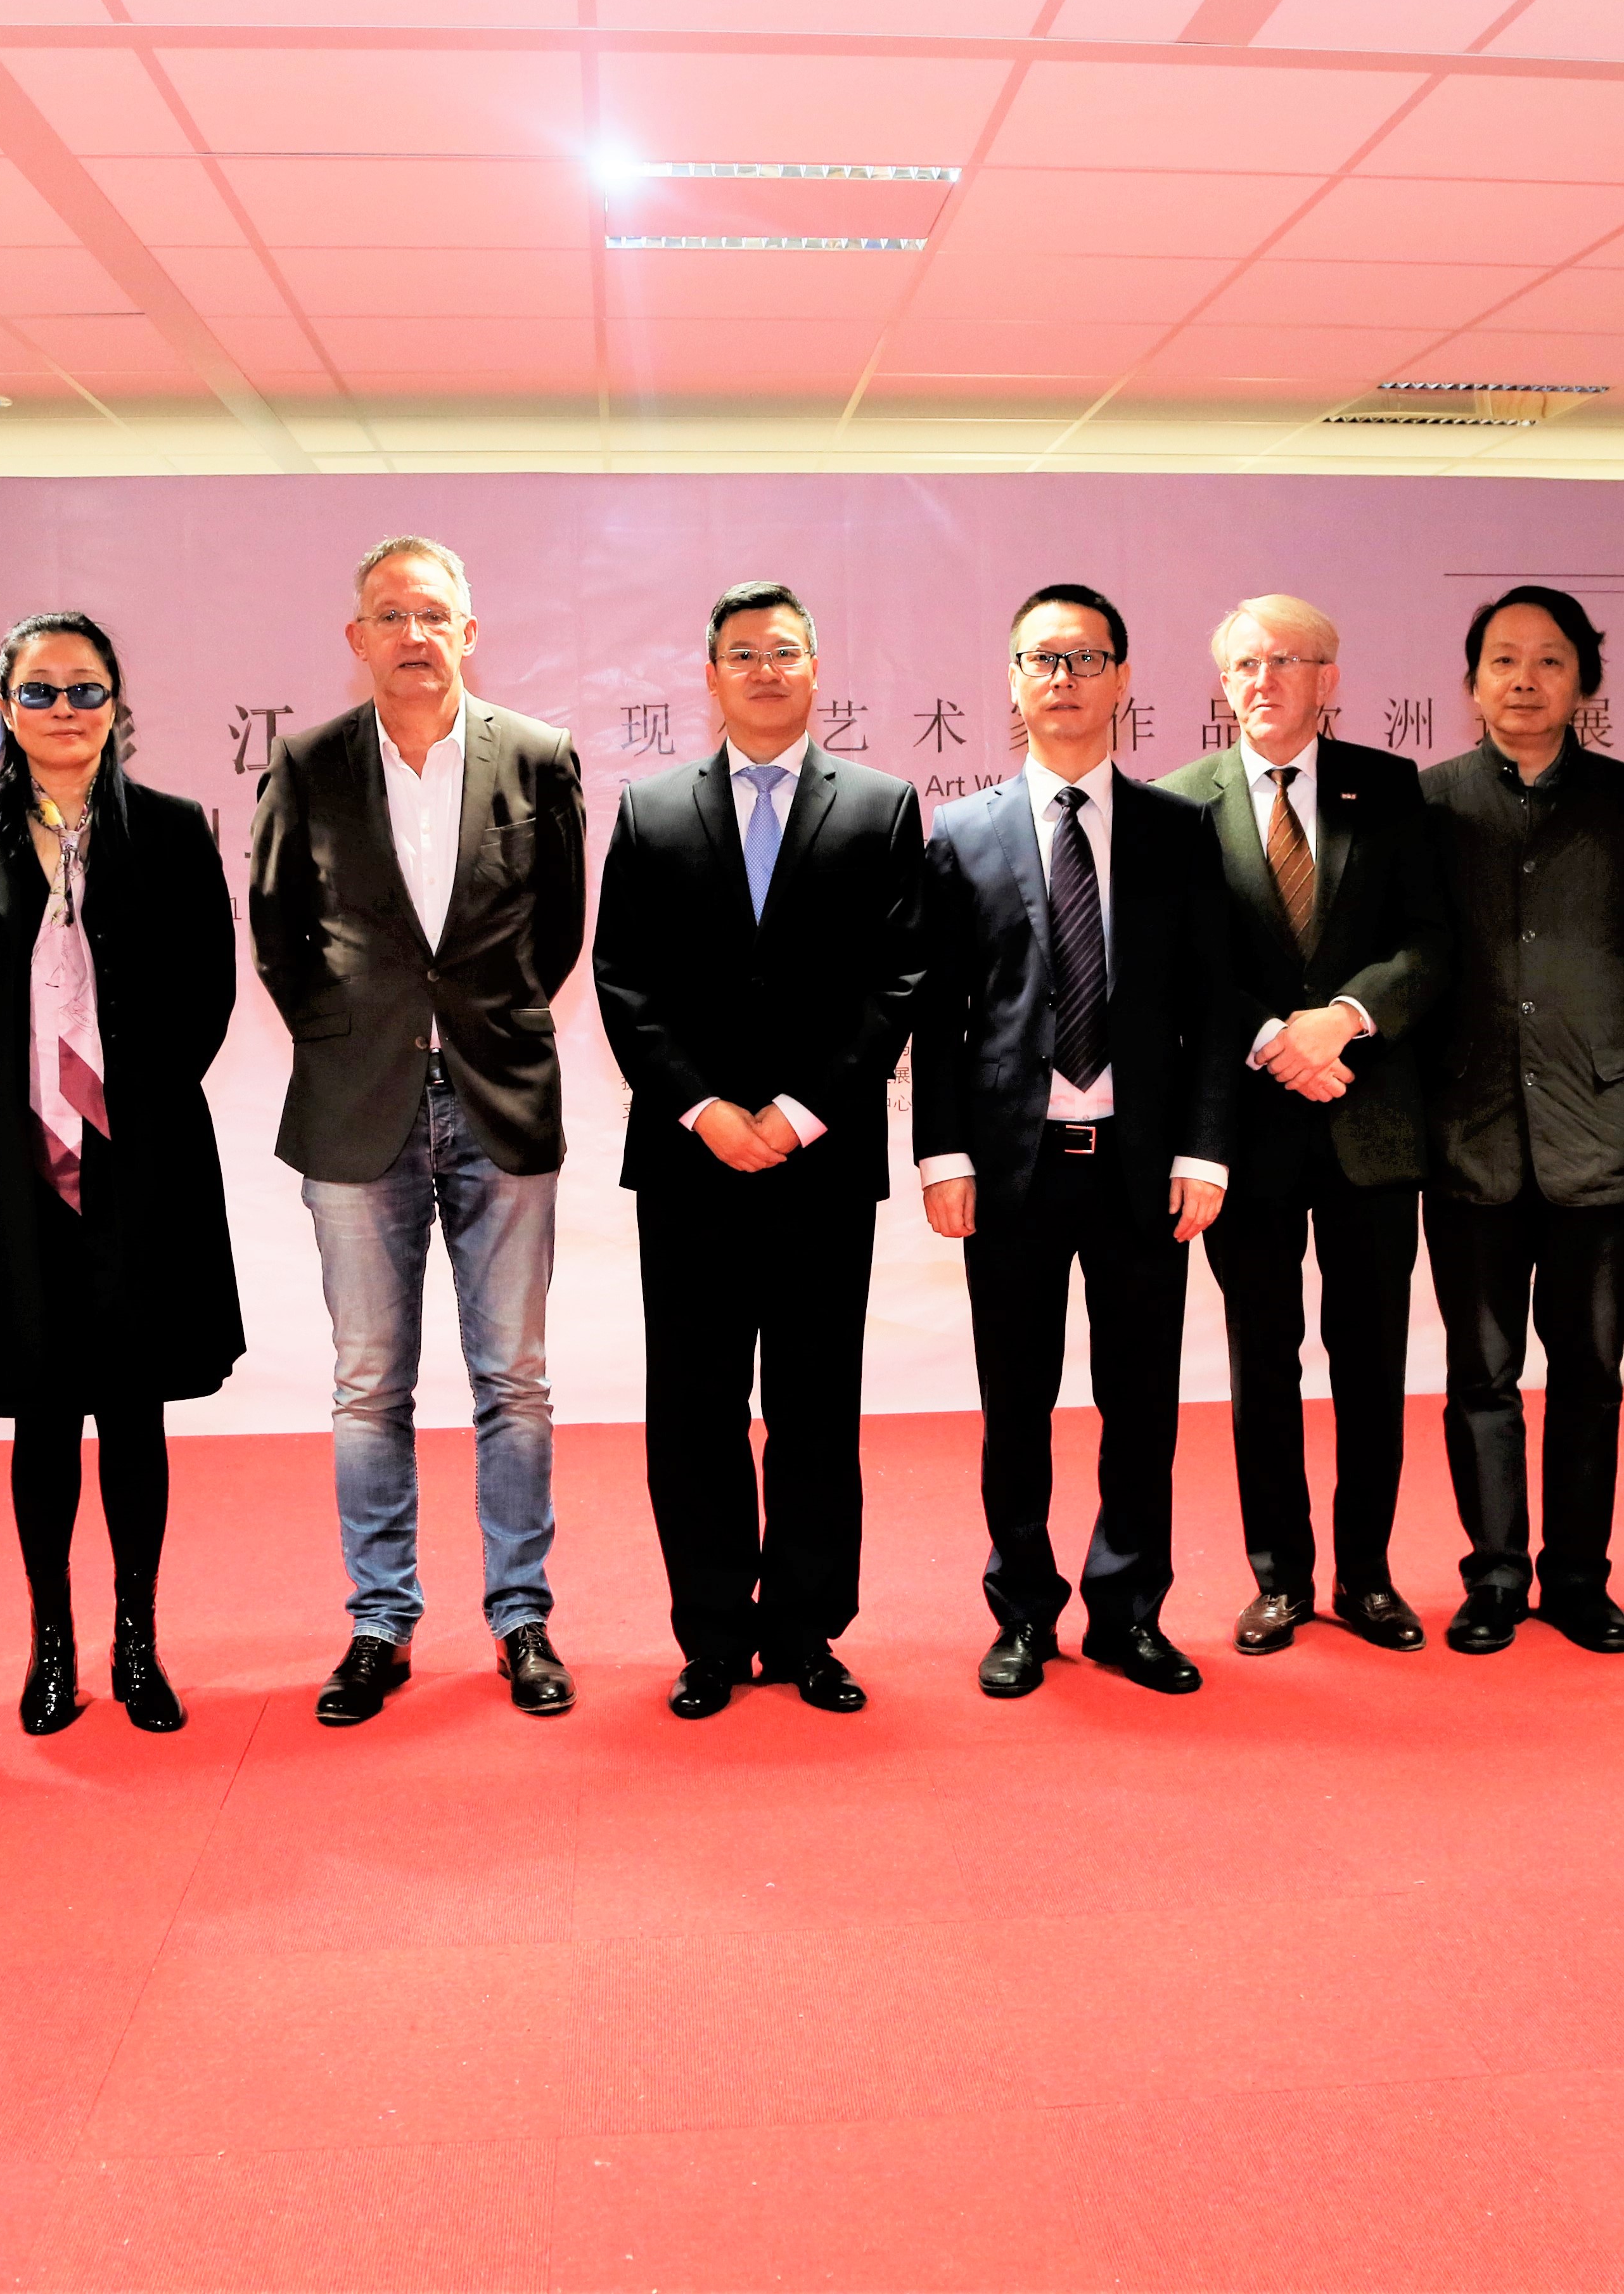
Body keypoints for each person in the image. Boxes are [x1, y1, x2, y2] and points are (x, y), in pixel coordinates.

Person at [250, 536, 589, 1725]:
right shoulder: (308, 763)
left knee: (516, 1382)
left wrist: (479, 1023)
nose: (414, 635)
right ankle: (380, 1623)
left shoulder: (537, 756)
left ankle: (522, 1617)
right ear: (358, 638)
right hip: (358, 1108)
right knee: (368, 1385)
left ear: (469, 633)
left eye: (435, 614)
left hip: (500, 1098)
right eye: (391, 616)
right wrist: (356, 1034)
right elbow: (279, 931)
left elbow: (558, 928)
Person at [593, 580, 927, 1718]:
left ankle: (805, 1631)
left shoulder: (882, 807)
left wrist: (798, 1112)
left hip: (820, 1162)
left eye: (784, 651)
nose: (765, 670)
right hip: (690, 1163)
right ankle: (710, 1636)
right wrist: (704, 1109)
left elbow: (899, 982)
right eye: (743, 654)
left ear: (816, 668)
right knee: (694, 1410)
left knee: (816, 1406)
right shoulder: (650, 811)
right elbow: (624, 984)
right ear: (711, 676)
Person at [0, 613, 244, 1737]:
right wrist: (17, 1109)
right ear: (4, 707)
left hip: (143, 1165)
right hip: (10, 1173)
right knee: (42, 1415)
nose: (65, 710)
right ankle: (51, 1644)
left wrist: (120, 1114)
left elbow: (207, 996)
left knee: (135, 1412)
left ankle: (136, 1643)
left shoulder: (174, 832)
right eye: (41, 691)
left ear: (116, 705)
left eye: (86, 689)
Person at [912, 582, 1241, 1699]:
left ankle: (1129, 1613)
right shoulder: (961, 833)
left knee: (1141, 1404)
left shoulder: (1177, 830)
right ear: (1013, 681)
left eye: (1086, 659)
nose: (1063, 679)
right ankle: (1023, 1612)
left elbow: (1212, 1004)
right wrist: (943, 1155)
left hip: (1144, 1170)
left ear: (1123, 679)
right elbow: (942, 1016)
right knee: (1016, 1406)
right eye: (1042, 660)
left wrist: (1205, 1150)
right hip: (1012, 1171)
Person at [1156, 596, 1451, 1656]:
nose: (1264, 680)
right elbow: (1181, 966)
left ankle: (1367, 1576)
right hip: (1247, 1130)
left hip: (1372, 1124)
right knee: (1261, 1361)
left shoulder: (1391, 785)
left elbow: (1430, 942)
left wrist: (1346, 1019)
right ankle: (1280, 1577)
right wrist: (1278, 1038)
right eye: (1245, 664)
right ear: (1222, 683)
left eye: (1288, 660)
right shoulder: (1178, 802)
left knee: (1371, 1361)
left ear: (1330, 678)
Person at [1419, 586, 1624, 1659]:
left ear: (1587, 683)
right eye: (1503, 660)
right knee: (1479, 1377)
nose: (1524, 680)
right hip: (1468, 1133)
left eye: (1550, 661)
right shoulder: (1427, 806)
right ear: (1472, 681)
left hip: (1601, 1136)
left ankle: (1578, 1577)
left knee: (1589, 1375)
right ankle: (1492, 1577)